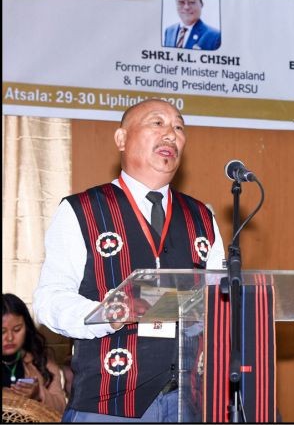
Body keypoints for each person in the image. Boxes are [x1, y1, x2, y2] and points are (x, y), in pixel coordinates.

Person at [34, 98, 224, 422]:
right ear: (121, 138)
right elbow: (48, 302)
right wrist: (108, 313)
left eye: (179, 127)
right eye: (157, 123)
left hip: (188, 402)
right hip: (109, 402)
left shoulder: (202, 217)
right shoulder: (82, 210)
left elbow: (219, 301)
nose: (171, 134)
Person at [2, 293, 67, 414]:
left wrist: (39, 394)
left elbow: (61, 408)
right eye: (2, 331)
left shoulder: (41, 359)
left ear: (27, 327)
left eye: (17, 329)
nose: (10, 338)